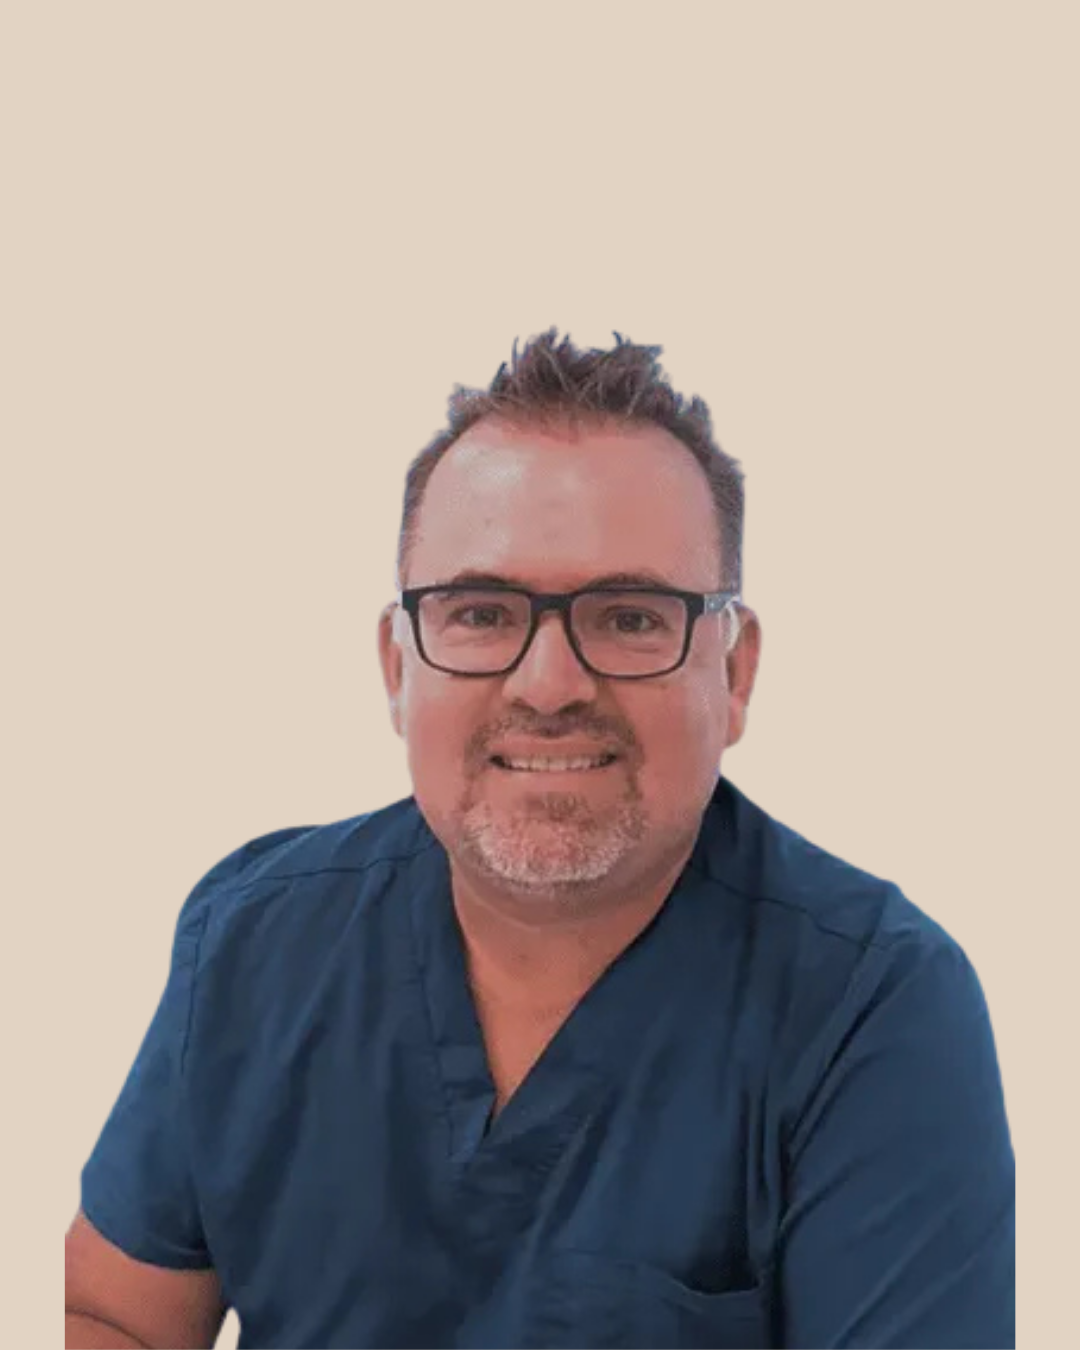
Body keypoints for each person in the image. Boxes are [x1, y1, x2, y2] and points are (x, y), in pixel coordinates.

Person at [65, 330, 1015, 1350]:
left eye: (631, 617)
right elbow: (112, 1313)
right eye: (481, 611)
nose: (550, 684)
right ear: (398, 667)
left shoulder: (870, 1009)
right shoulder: (254, 942)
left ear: (733, 677)